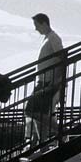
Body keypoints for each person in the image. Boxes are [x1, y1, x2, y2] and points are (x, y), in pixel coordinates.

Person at [26, 14, 64, 147]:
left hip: (48, 82)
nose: (36, 29)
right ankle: (42, 145)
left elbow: (62, 58)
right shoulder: (47, 38)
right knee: (39, 113)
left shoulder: (54, 38)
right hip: (41, 81)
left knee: (31, 110)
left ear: (44, 23)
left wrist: (57, 81)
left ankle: (61, 132)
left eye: (37, 25)